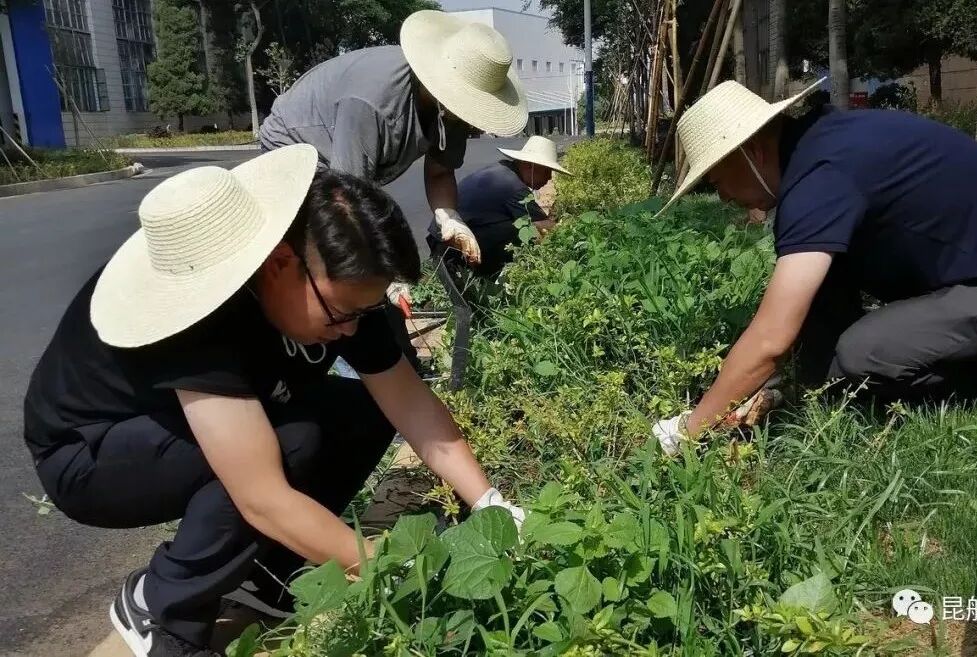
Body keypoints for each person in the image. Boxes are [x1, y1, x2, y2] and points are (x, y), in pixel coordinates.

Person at [23, 145, 524, 657]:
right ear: (281, 263)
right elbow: (261, 495)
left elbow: (410, 404)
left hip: (187, 418)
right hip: (91, 452)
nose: (351, 329)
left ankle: (266, 576)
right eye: (341, 315)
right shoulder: (203, 310)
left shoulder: (339, 280)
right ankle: (163, 608)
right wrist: (397, 570)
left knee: (363, 409)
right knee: (291, 441)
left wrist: (492, 503)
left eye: (361, 313)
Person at [651, 80, 977, 455]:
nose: (723, 198)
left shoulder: (819, 179)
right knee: (821, 307)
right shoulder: (820, 146)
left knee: (860, 354)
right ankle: (826, 388)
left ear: (753, 152)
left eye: (717, 181)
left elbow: (771, 339)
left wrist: (689, 430)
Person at [259, 9, 528, 281]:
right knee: (323, 250)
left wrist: (449, 217)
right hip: (298, 146)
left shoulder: (453, 111)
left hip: (346, 166)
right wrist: (386, 276)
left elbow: (440, 172)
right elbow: (347, 200)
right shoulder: (372, 101)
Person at [441, 135, 571, 277]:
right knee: (526, 230)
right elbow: (546, 226)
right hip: (453, 247)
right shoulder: (513, 186)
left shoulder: (503, 169)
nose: (549, 177)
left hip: (443, 238)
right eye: (547, 171)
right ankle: (489, 277)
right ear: (530, 166)